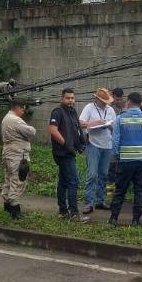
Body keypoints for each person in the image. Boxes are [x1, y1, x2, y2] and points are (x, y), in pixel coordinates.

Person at [109, 92, 142, 226]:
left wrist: (115, 156)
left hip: (125, 161)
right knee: (141, 190)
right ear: (140, 104)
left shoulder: (120, 118)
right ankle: (136, 220)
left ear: (128, 102)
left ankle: (114, 218)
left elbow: (115, 141)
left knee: (120, 190)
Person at [48, 88, 89, 222]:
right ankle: (74, 213)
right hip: (63, 153)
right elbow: (52, 130)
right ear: (62, 99)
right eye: (68, 98)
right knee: (73, 181)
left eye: (72, 98)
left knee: (64, 181)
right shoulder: (58, 112)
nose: (70, 100)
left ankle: (63, 211)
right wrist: (66, 144)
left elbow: (76, 129)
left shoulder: (72, 112)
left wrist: (80, 144)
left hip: (70, 151)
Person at [78, 88, 116, 214]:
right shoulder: (89, 108)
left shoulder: (110, 110)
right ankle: (89, 203)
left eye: (107, 101)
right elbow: (81, 123)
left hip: (107, 145)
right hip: (93, 143)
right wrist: (95, 123)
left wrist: (109, 125)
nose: (106, 103)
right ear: (98, 99)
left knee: (103, 174)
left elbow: (115, 127)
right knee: (92, 174)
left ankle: (100, 200)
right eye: (104, 101)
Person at [0, 98, 36, 218]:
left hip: (8, 153)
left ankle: (7, 205)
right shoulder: (15, 120)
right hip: (16, 155)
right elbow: (31, 132)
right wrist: (29, 133)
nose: (23, 111)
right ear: (18, 108)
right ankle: (14, 210)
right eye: (23, 109)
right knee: (18, 180)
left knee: (9, 179)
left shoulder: (6, 118)